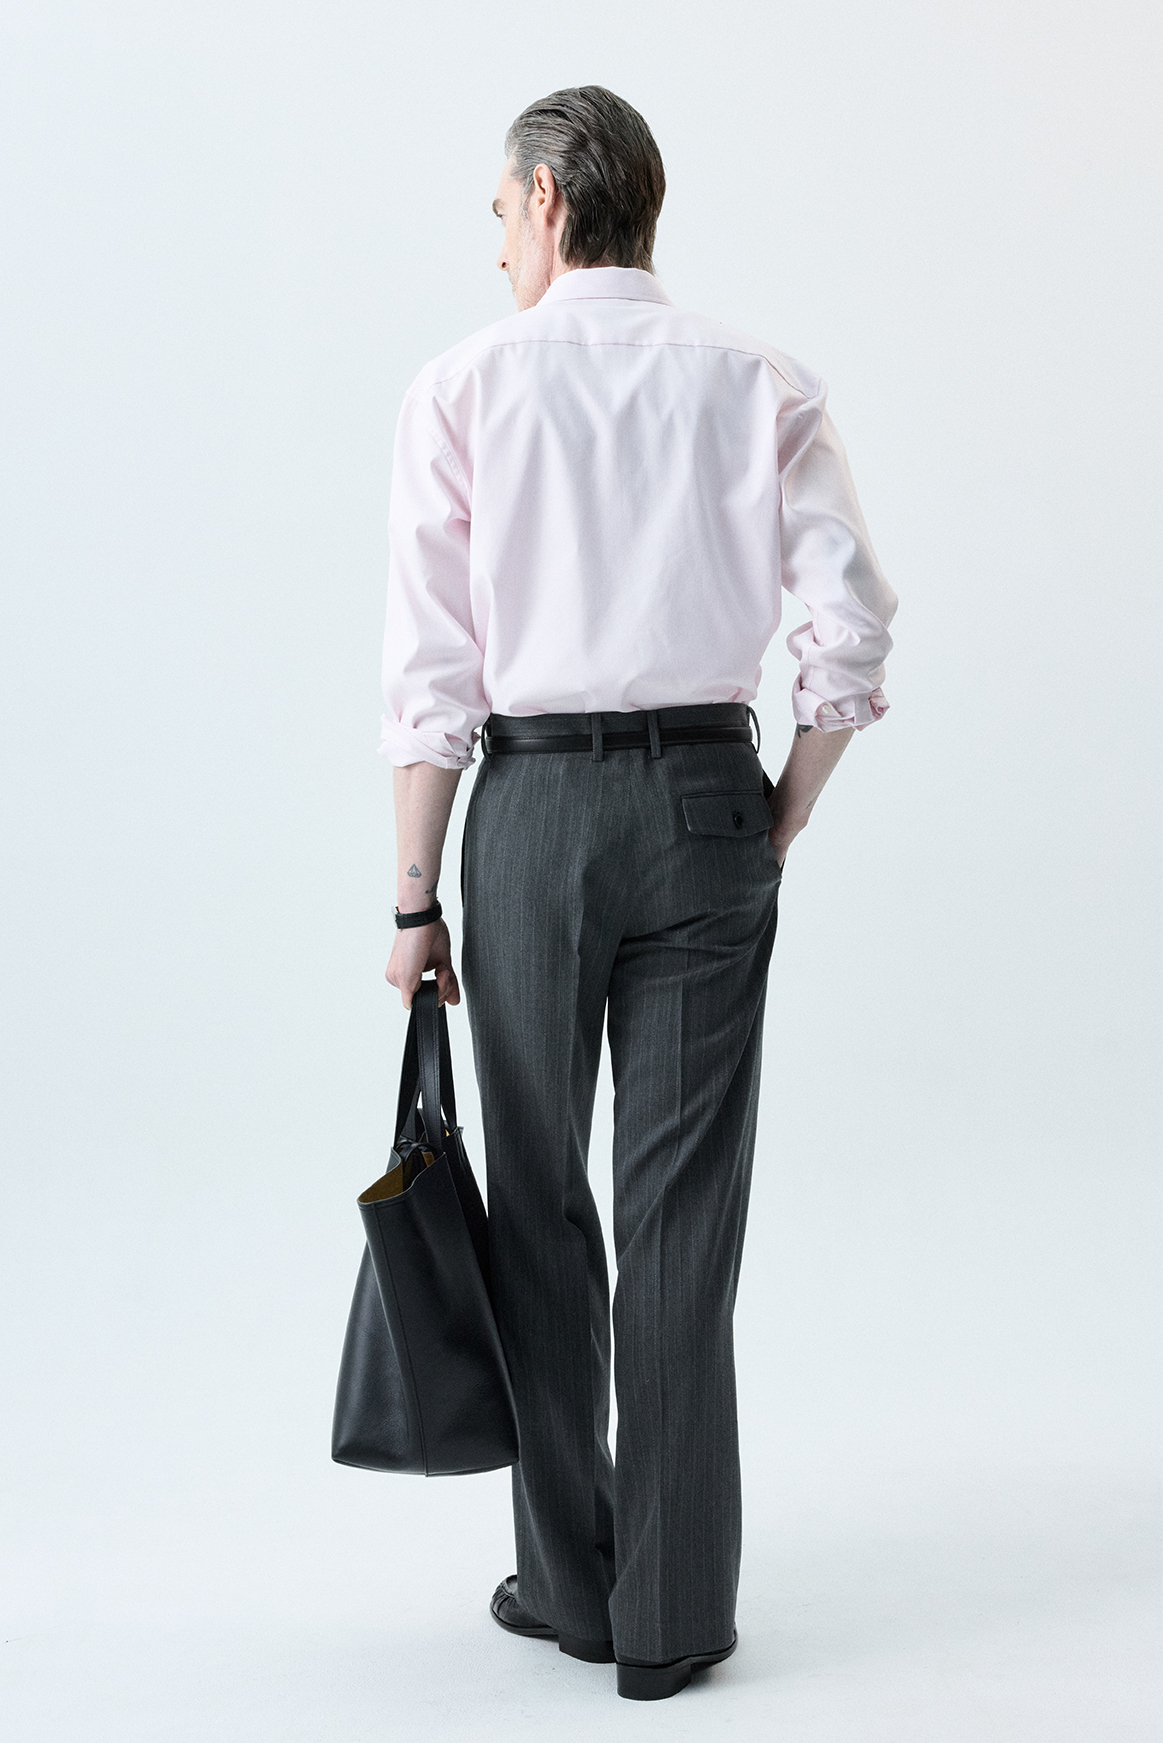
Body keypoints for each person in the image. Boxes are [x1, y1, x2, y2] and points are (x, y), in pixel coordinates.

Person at [379, 85, 897, 1702]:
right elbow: (852, 633)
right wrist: (777, 814)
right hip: (705, 801)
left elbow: (431, 674)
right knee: (683, 1215)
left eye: (499, 210)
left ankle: (570, 1581)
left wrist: (414, 899)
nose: (497, 242)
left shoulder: (463, 385)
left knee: (536, 1196)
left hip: (532, 809)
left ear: (547, 199)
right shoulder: (761, 381)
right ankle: (672, 1616)